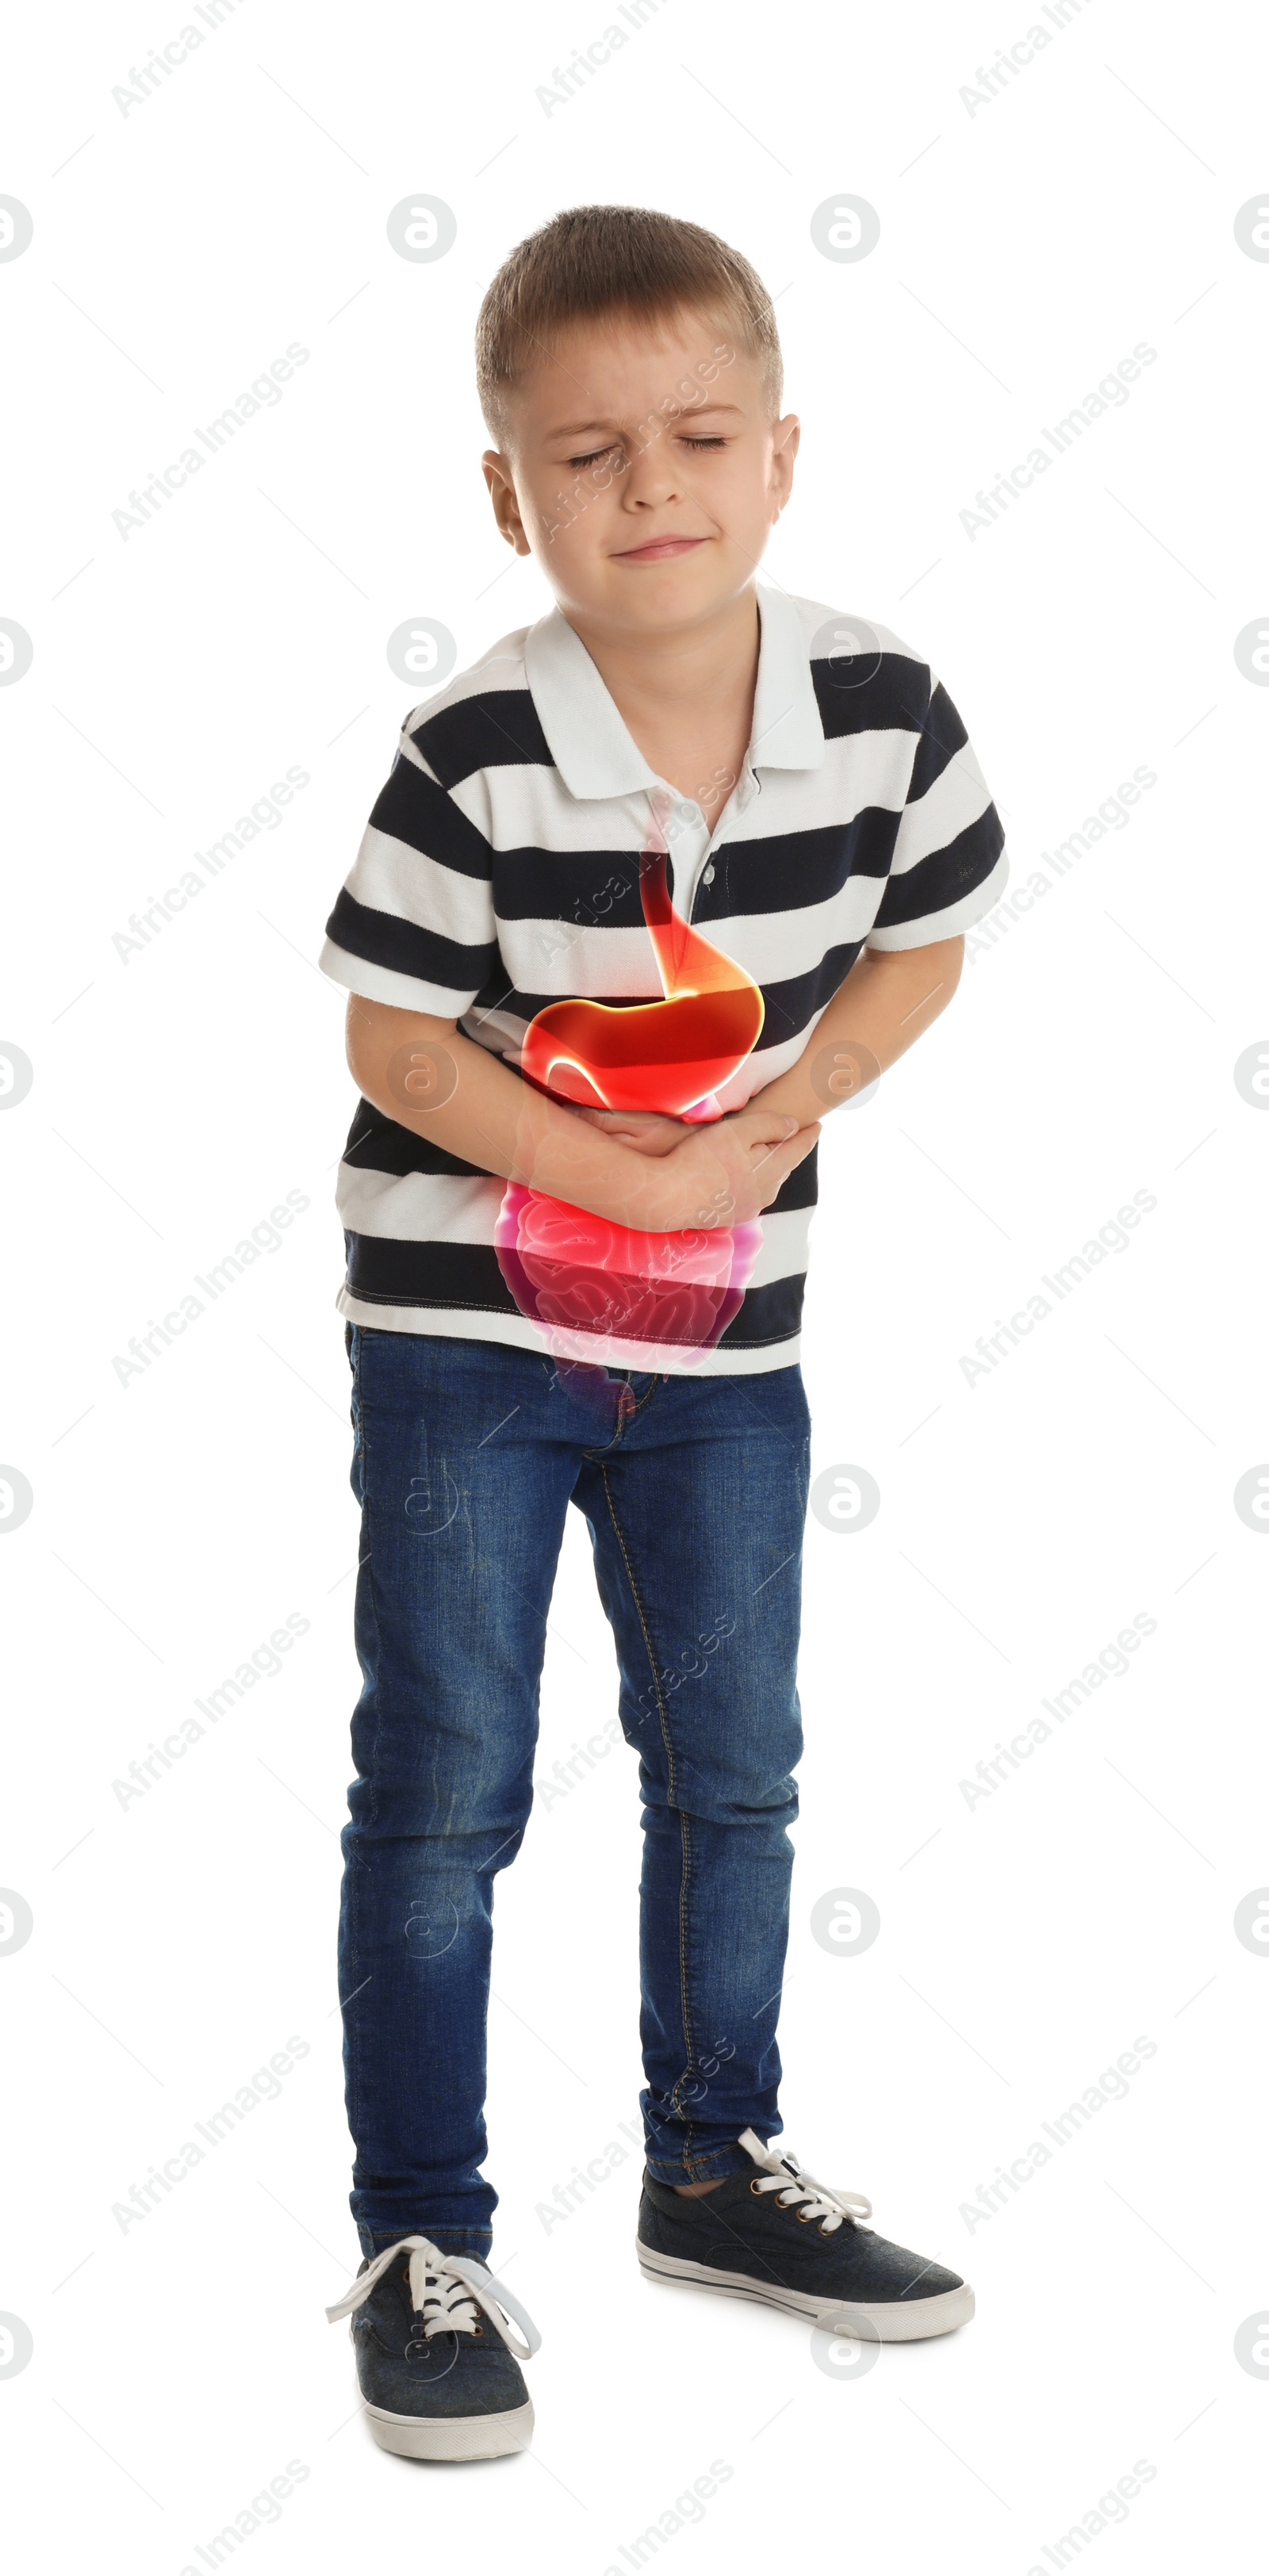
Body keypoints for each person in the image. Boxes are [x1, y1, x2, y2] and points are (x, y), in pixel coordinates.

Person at [319, 204, 1007, 2463]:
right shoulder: (477, 746)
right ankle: (422, 2231)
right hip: (468, 1342)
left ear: (783, 455)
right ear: (508, 494)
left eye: (701, 435)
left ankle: (716, 2166)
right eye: (588, 453)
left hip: (727, 1355)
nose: (652, 488)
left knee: (739, 1767)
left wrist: (793, 1105)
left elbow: (926, 943)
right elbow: (396, 1043)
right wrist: (622, 1172)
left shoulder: (882, 705)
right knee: (447, 1783)